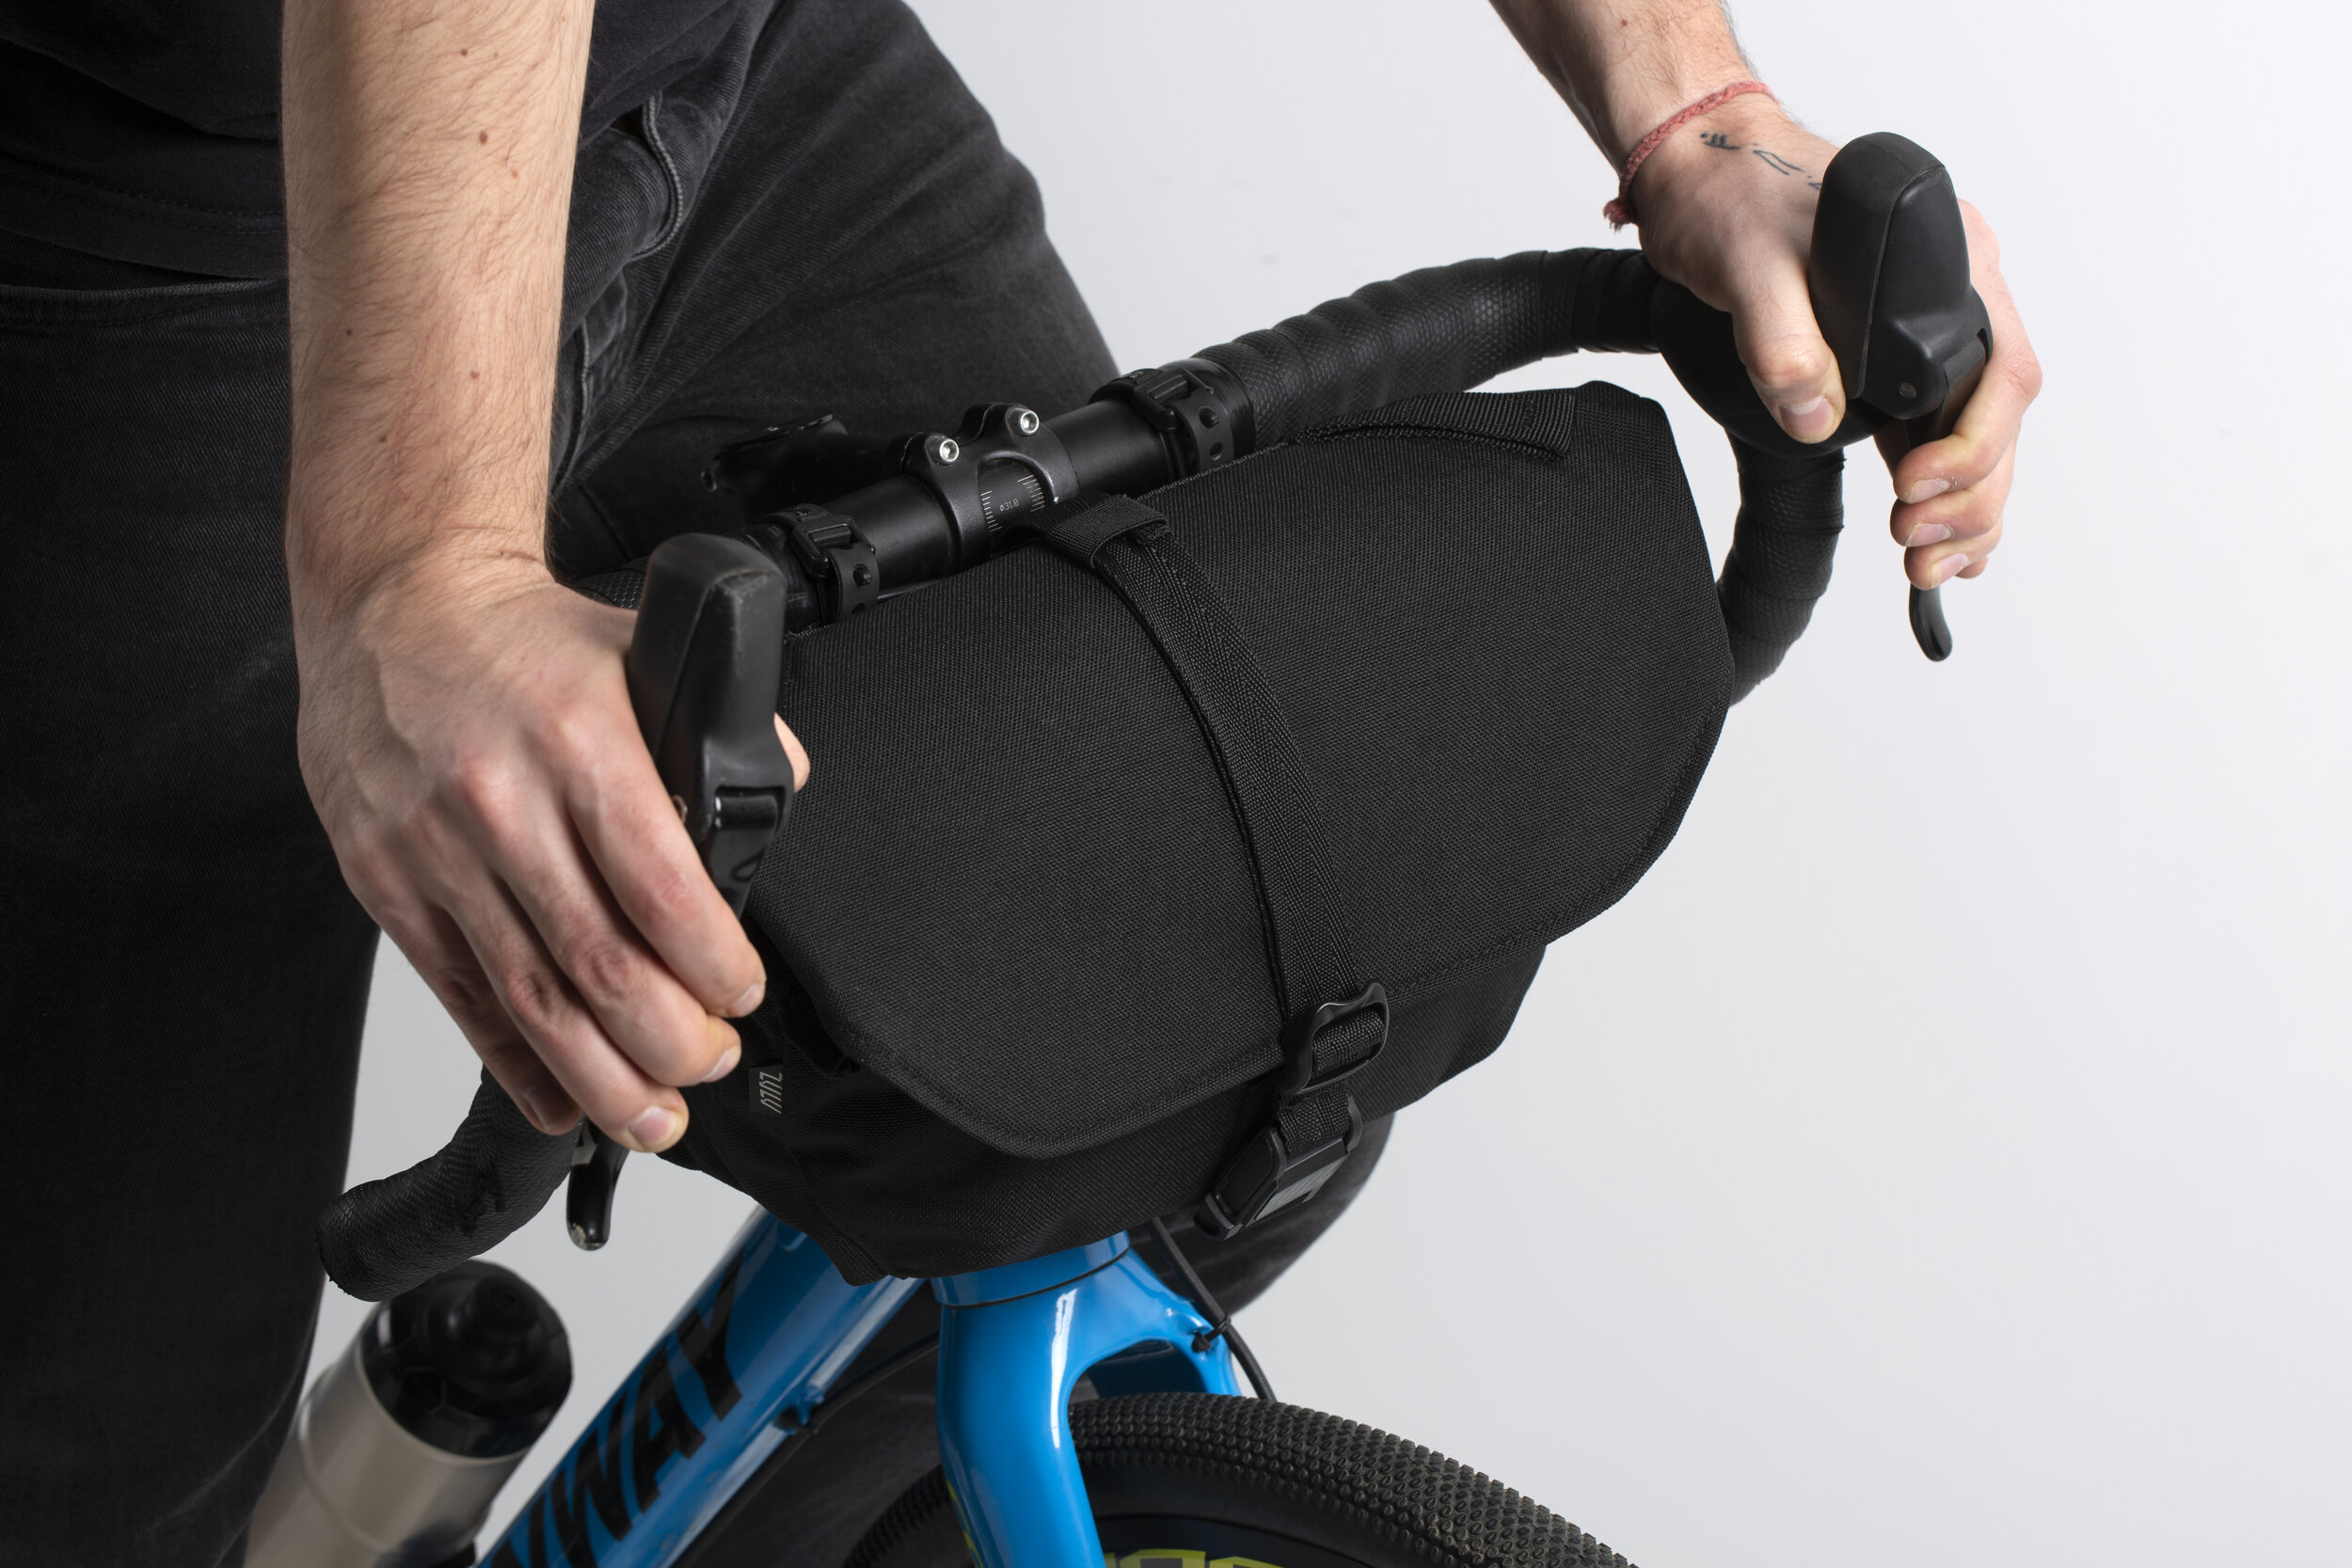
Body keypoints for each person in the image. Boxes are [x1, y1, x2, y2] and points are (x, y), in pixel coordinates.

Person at [0, 0, 2039, 1561]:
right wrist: (409, 569)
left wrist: (1690, 112)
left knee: (1204, 1043)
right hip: (141, 195)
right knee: (103, 1463)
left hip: (725, 75)